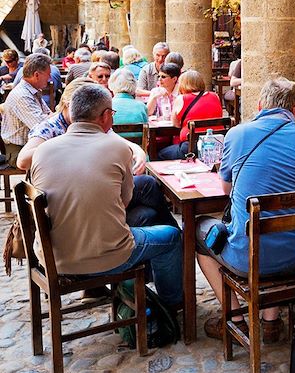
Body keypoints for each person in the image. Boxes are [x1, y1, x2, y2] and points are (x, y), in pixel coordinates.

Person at [195, 76, 295, 341]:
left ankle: (236, 319)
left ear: (261, 104)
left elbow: (226, 191)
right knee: (277, 228)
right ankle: (270, 321)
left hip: (246, 259)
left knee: (198, 231)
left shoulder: (238, 134)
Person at [30, 84, 183, 309]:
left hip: (52, 256)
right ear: (105, 116)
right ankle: (173, 304)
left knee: (146, 215)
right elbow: (124, 201)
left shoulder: (43, 150)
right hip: (106, 257)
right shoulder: (117, 147)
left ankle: (143, 292)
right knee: (171, 236)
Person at [17, 77, 176, 228]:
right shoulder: (50, 128)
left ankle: (171, 238)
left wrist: (138, 151)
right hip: (73, 202)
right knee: (147, 186)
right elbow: (22, 161)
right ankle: (176, 236)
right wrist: (66, 143)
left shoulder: (91, 122)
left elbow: (118, 140)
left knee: (148, 214)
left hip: (89, 197)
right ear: (69, 105)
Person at [158, 70, 223, 160]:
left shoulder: (181, 99)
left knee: (161, 153)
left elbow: (176, 124)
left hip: (191, 147)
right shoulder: (215, 96)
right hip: (215, 145)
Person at [0, 53, 52, 166]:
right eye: (48, 74)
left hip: (30, 144)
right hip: (18, 151)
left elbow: (49, 115)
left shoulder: (32, 90)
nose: (50, 78)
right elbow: (42, 126)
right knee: (58, 157)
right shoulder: (22, 95)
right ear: (36, 75)